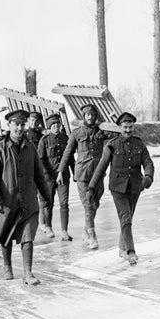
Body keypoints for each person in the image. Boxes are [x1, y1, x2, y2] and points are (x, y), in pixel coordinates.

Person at [0, 109, 53, 284]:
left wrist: (47, 195)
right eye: (17, 125)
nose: (20, 128)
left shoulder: (30, 147)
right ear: (9, 126)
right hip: (8, 201)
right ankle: (7, 265)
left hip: (28, 201)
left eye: (23, 125)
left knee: (28, 235)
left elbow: (39, 173)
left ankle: (28, 273)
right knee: (6, 235)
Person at [89, 112, 154, 265]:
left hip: (136, 187)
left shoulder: (139, 144)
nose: (128, 130)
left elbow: (148, 163)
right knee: (125, 219)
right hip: (118, 188)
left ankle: (121, 248)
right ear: (119, 127)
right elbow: (101, 167)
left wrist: (148, 177)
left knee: (128, 218)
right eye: (125, 127)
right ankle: (131, 252)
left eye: (131, 127)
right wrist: (91, 187)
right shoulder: (112, 145)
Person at [58, 103, 111, 250]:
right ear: (84, 116)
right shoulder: (76, 133)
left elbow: (117, 133)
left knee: (95, 203)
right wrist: (61, 170)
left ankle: (86, 230)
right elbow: (67, 152)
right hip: (82, 173)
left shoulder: (102, 131)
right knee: (88, 203)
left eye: (93, 115)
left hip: (98, 173)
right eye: (88, 115)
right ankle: (92, 235)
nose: (91, 117)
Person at [38, 113, 72, 240]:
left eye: (58, 124)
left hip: (64, 176)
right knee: (49, 202)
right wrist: (54, 173)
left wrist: (74, 173)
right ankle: (48, 227)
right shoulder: (44, 140)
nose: (56, 126)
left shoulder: (66, 139)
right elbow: (41, 159)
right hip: (49, 177)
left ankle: (64, 231)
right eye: (53, 124)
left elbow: (70, 158)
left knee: (64, 204)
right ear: (49, 126)